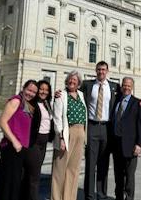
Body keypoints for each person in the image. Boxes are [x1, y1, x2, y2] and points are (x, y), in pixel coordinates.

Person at [82, 61, 121, 200]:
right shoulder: (87, 85)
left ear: (107, 71)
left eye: (103, 70)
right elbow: (73, 93)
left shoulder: (114, 86)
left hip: (107, 128)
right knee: (90, 163)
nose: (101, 72)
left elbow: (126, 99)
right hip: (92, 126)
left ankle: (101, 193)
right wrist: (60, 93)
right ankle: (89, 195)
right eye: (99, 69)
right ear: (95, 70)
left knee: (104, 163)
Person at [0, 79, 38, 200]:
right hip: (11, 146)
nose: (31, 93)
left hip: (20, 148)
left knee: (15, 183)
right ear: (23, 88)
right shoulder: (16, 101)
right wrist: (14, 141)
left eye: (33, 92)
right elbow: (2, 122)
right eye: (29, 90)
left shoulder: (28, 105)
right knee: (9, 183)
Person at [51, 71, 88, 200]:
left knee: (73, 169)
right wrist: (60, 137)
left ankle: (69, 197)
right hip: (67, 132)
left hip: (81, 132)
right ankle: (56, 197)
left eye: (75, 80)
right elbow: (57, 118)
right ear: (67, 81)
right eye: (70, 79)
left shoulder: (81, 95)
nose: (72, 81)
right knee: (60, 168)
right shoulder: (61, 95)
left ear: (79, 83)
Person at [110, 77, 141, 200]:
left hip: (131, 146)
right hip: (116, 144)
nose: (126, 88)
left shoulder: (138, 103)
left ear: (132, 87)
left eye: (129, 86)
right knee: (118, 175)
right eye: (124, 85)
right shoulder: (116, 102)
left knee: (129, 176)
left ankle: (129, 198)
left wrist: (139, 144)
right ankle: (118, 196)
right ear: (121, 86)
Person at [21, 80, 54, 200]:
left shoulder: (47, 103)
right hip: (34, 141)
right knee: (34, 175)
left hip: (44, 141)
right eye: (41, 89)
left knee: (32, 172)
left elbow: (50, 120)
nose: (44, 92)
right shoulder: (32, 103)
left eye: (46, 89)